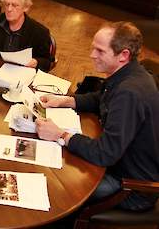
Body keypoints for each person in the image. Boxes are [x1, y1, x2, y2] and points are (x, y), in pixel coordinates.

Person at [35, 22, 159, 211]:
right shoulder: (129, 74)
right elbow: (100, 98)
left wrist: (60, 135)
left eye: (100, 51)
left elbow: (105, 153)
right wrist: (65, 101)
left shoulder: (129, 93)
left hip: (129, 186)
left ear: (123, 55)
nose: (92, 55)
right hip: (118, 164)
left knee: (56, 191)